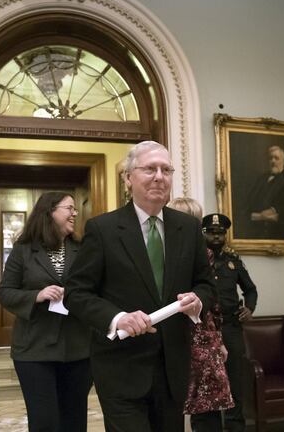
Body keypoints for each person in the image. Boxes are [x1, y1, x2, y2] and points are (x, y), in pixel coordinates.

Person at [64, 141, 216, 432]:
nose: (160, 176)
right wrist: (117, 318)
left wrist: (199, 301)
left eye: (166, 170)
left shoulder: (188, 228)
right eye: (150, 169)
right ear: (128, 178)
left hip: (172, 368)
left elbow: (206, 284)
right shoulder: (103, 229)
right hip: (121, 368)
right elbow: (76, 293)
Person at [0, 192, 92, 432]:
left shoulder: (85, 248)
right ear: (50, 212)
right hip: (34, 351)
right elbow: (5, 293)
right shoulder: (23, 250)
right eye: (69, 208)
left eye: (75, 209)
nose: (75, 213)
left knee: (75, 421)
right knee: (44, 423)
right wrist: (36, 296)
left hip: (79, 349)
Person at [166, 198, 233, 432]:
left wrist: (218, 342)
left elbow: (212, 302)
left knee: (206, 407)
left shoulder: (203, 253)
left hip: (200, 336)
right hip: (181, 335)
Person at [200, 213, 258, 432]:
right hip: (206, 331)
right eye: (211, 233)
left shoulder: (233, 261)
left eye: (220, 233)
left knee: (235, 381)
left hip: (231, 328)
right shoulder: (197, 260)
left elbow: (250, 289)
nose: (216, 237)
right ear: (203, 234)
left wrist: (249, 308)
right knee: (207, 384)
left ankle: (235, 427)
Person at [240, 145, 284, 240]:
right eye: (270, 158)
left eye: (276, 158)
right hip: (257, 234)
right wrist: (259, 216)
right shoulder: (260, 180)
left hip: (280, 234)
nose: (273, 161)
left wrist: (275, 211)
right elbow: (248, 205)